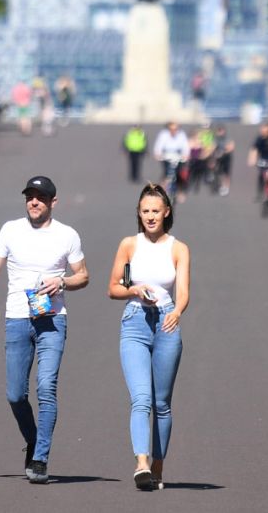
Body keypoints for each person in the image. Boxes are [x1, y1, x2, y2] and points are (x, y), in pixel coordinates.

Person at [0, 176, 89, 484]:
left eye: (41, 197)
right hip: (17, 320)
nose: (34, 202)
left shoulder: (67, 235)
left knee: (46, 388)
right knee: (15, 395)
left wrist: (63, 282)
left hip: (52, 321)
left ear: (52, 202)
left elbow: (83, 275)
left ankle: (40, 458)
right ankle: (33, 439)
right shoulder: (10, 230)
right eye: (30, 196)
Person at [107, 183, 190, 490]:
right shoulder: (129, 244)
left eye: (156, 211)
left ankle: (157, 464)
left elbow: (182, 292)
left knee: (162, 403)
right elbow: (112, 287)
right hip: (135, 323)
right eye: (145, 211)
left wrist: (177, 311)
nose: (150, 216)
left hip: (167, 324)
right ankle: (141, 463)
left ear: (166, 212)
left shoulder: (178, 249)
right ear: (139, 214)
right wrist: (132, 289)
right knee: (141, 399)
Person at [152, 122, 191, 197]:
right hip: (167, 156)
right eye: (171, 129)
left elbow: (185, 146)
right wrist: (157, 154)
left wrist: (186, 155)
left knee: (179, 174)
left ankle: (180, 192)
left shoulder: (181, 135)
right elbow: (159, 145)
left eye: (175, 129)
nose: (173, 131)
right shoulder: (163, 134)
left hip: (178, 156)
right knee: (166, 173)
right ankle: (161, 191)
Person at [212, 124, 235, 196]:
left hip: (226, 158)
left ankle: (227, 187)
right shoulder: (216, 139)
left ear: (224, 131)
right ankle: (222, 186)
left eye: (220, 131)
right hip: (219, 158)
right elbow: (213, 147)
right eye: (218, 131)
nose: (219, 133)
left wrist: (223, 152)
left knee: (226, 173)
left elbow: (231, 147)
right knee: (220, 172)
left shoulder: (228, 139)